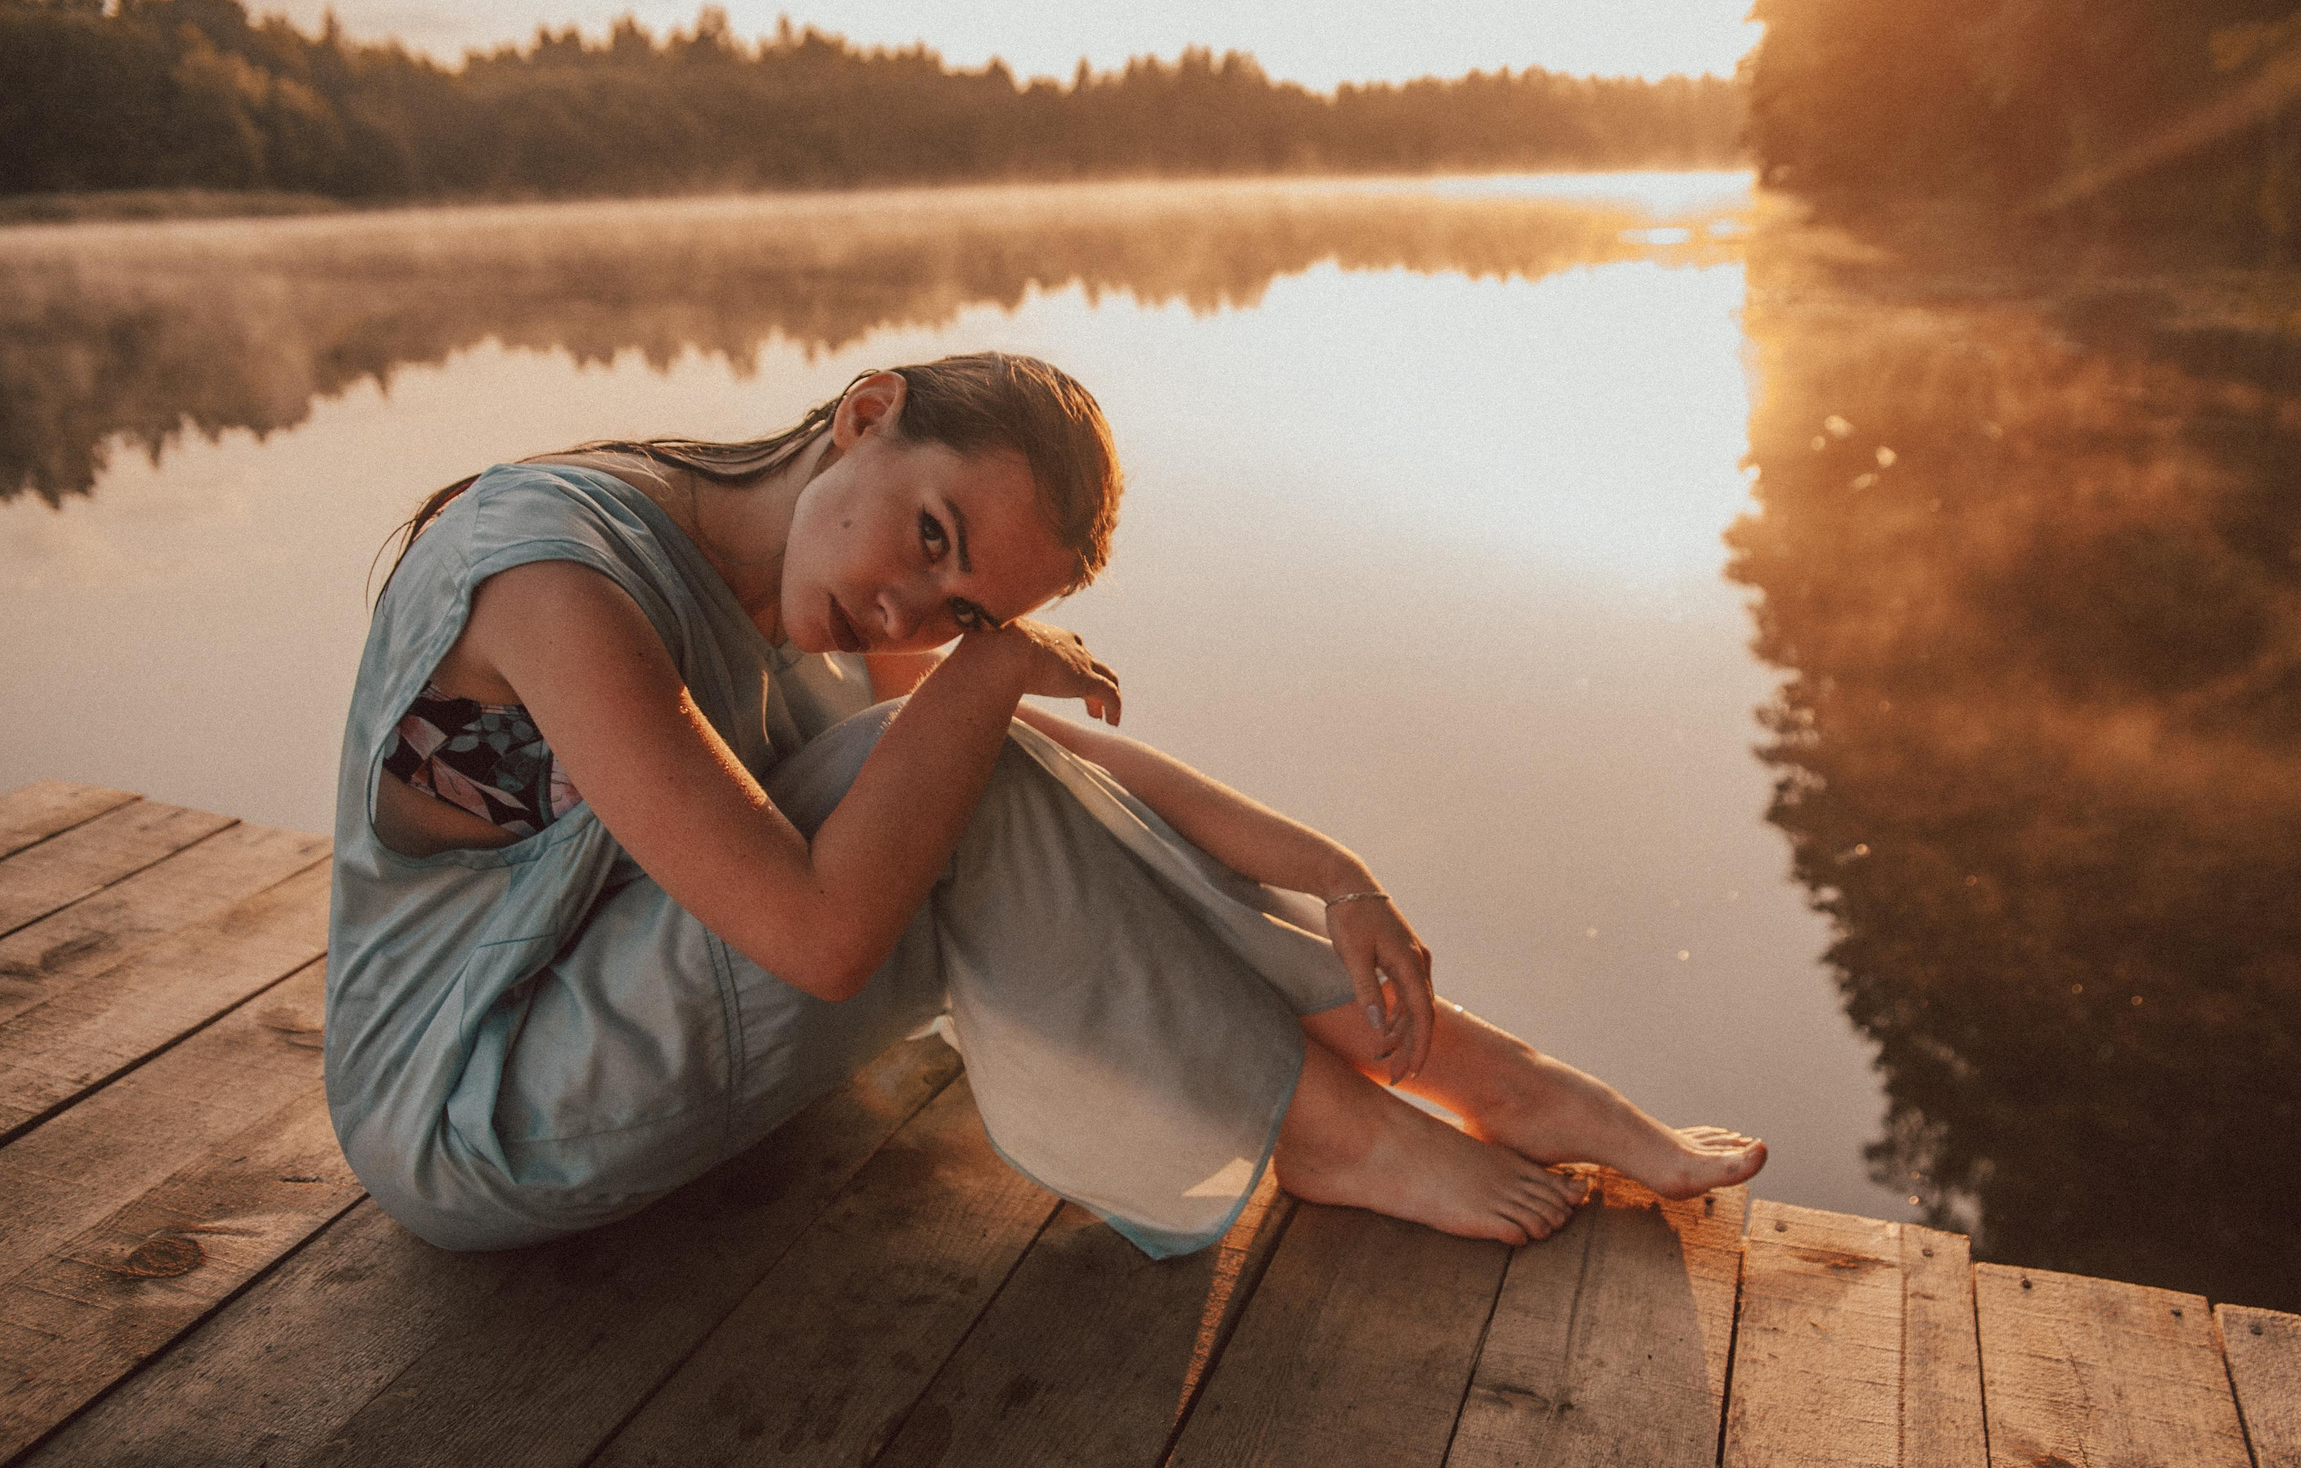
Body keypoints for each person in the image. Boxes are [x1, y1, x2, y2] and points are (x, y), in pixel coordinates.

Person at [324, 350, 1765, 1258]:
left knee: (962, 764)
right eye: (929, 534)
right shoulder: (561, 575)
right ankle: (1364, 1124)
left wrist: (1337, 869)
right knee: (957, 762)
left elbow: (1027, 775)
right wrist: (991, 672)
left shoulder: (813, 580)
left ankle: (1467, 1076)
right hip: (473, 1110)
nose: (906, 603)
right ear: (866, 413)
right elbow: (825, 938)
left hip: (623, 1024)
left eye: (958, 603)